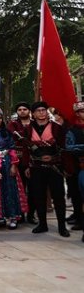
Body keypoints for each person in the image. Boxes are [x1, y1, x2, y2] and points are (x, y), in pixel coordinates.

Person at [24, 101, 69, 237]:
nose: (41, 113)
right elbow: (26, 149)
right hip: (36, 167)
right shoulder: (28, 129)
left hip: (54, 167)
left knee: (59, 196)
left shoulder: (57, 127)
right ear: (33, 113)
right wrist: (26, 165)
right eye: (38, 111)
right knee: (39, 196)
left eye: (43, 110)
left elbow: (64, 147)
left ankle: (62, 226)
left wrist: (56, 159)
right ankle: (42, 224)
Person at [0, 107, 26, 230]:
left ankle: (13, 216)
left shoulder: (6, 132)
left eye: (0, 117)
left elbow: (12, 148)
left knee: (10, 189)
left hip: (7, 162)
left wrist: (14, 164)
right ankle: (0, 216)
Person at [8, 101, 36, 224]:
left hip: (34, 160)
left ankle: (31, 215)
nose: (22, 111)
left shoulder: (36, 124)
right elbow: (10, 140)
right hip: (17, 160)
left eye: (25, 109)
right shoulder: (12, 125)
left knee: (34, 189)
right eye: (19, 109)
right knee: (19, 189)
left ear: (29, 111)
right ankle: (20, 214)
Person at [65, 101, 84, 240]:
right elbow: (70, 147)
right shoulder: (72, 130)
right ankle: (80, 220)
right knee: (79, 196)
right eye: (80, 111)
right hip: (79, 167)